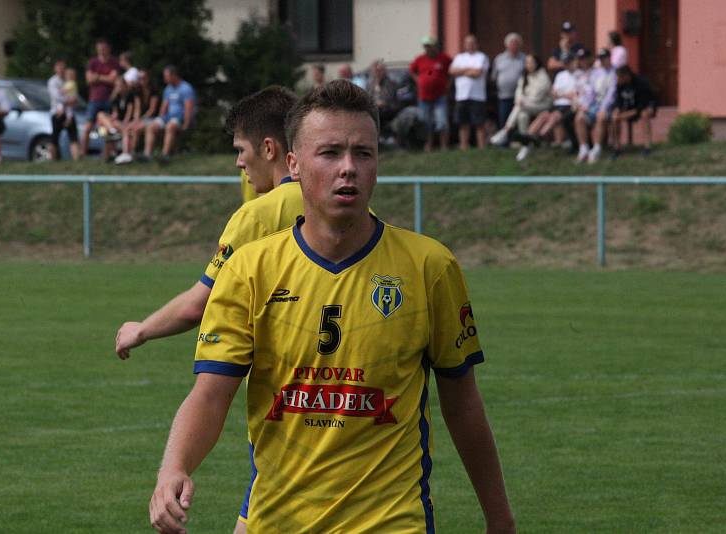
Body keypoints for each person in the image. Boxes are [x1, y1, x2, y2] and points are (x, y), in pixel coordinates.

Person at [148, 80, 515, 534]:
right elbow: (210, 394)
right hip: (277, 522)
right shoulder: (249, 270)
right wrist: (174, 467)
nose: (349, 168)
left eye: (364, 153)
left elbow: (463, 405)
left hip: (392, 523)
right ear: (294, 164)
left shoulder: (429, 267)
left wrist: (499, 518)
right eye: (330, 153)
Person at [115, 85, 300, 362]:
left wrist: (141, 329)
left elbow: (197, 306)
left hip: (287, 387)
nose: (239, 163)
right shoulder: (346, 208)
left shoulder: (258, 216)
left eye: (241, 150)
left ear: (269, 148)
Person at [515, 52, 583, 160]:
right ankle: (528, 139)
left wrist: (562, 94)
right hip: (558, 104)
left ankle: (540, 137)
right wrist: (564, 94)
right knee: (543, 115)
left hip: (570, 106)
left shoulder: (580, 75)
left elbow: (576, 94)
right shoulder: (560, 75)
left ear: (574, 62)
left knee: (554, 116)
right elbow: (553, 92)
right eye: (565, 63)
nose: (566, 65)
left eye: (568, 62)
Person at [490, 55, 551, 150]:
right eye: (527, 63)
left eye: (531, 62)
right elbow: (519, 91)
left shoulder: (543, 76)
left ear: (537, 63)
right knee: (522, 115)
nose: (528, 65)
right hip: (527, 105)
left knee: (519, 107)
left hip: (542, 105)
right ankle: (526, 145)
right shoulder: (525, 76)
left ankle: (505, 131)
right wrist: (520, 100)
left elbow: (537, 96)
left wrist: (523, 101)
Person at [143, 65, 195, 162]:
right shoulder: (168, 89)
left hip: (180, 118)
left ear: (173, 76)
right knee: (151, 126)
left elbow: (189, 108)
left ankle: (165, 155)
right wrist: (160, 120)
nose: (165, 79)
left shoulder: (186, 88)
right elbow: (164, 107)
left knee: (170, 126)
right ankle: (147, 155)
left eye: (166, 76)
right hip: (168, 117)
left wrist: (186, 125)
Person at [410, 36, 452, 152]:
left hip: (440, 96)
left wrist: (449, 84)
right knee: (425, 122)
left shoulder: (444, 58)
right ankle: (428, 145)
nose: (427, 48)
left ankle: (444, 146)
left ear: (435, 46)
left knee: (442, 121)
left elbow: (452, 71)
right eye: (425, 46)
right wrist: (417, 80)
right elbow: (412, 70)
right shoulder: (419, 59)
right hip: (423, 96)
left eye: (429, 46)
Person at [575, 48, 617, 164]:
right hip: (595, 104)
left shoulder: (615, 72)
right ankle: (583, 148)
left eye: (605, 58)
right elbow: (591, 92)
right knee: (580, 118)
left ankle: (597, 148)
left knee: (601, 117)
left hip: (609, 105)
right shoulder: (596, 73)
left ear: (609, 58)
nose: (603, 61)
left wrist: (603, 108)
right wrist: (585, 105)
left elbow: (611, 94)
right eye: (601, 58)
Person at [449, 34, 490, 149]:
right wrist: (469, 70)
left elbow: (477, 73)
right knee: (463, 123)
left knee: (479, 123)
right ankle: (463, 146)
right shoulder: (459, 57)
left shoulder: (482, 57)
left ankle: (481, 147)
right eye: (467, 43)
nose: (470, 45)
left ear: (476, 44)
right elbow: (451, 71)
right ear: (464, 45)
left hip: (477, 96)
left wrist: (461, 71)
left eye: (472, 43)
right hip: (461, 96)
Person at [81, 38, 119, 157]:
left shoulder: (113, 62)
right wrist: (105, 77)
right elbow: (89, 80)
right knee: (88, 127)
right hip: (94, 99)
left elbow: (113, 79)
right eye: (99, 48)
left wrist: (98, 77)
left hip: (109, 99)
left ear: (108, 49)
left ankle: (107, 152)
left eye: (103, 48)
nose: (101, 51)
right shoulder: (93, 62)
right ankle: (83, 152)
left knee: (106, 128)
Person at [610, 65, 657, 158]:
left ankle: (647, 146)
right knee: (614, 117)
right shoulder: (619, 84)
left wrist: (625, 115)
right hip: (629, 107)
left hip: (645, 106)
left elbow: (642, 105)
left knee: (644, 114)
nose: (618, 79)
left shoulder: (640, 83)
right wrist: (617, 109)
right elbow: (618, 100)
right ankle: (617, 148)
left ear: (626, 76)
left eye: (619, 77)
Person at [116, 68, 160, 164]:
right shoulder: (137, 91)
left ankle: (145, 154)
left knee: (138, 128)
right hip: (142, 118)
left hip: (152, 118)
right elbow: (137, 108)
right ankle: (127, 153)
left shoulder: (154, 90)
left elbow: (152, 110)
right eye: (139, 78)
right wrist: (136, 120)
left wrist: (141, 120)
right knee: (128, 128)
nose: (141, 81)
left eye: (143, 78)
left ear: (148, 78)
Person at [491, 32, 525, 133]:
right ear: (507, 45)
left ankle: (516, 139)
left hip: (519, 95)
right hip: (503, 95)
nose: (514, 45)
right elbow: (494, 76)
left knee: (517, 118)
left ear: (520, 45)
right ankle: (503, 140)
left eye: (516, 43)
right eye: (512, 43)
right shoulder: (499, 59)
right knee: (504, 117)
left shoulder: (524, 59)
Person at [96, 77, 137, 160]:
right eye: (117, 86)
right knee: (100, 116)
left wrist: (125, 122)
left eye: (120, 86)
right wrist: (111, 119)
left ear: (125, 86)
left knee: (122, 129)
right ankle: (111, 152)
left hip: (125, 121)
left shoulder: (129, 96)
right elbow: (115, 113)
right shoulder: (116, 97)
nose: (118, 88)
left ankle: (124, 154)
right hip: (117, 121)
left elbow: (129, 111)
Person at [47, 60, 80, 160]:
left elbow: (75, 97)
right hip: (57, 112)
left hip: (69, 112)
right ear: (55, 69)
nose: (61, 70)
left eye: (63, 68)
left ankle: (76, 159)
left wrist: (70, 101)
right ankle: (53, 159)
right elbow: (56, 97)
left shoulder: (69, 81)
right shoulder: (53, 81)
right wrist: (68, 101)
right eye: (59, 67)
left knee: (73, 136)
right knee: (55, 137)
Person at [364, 59, 399, 139]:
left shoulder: (390, 83)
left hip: (389, 109)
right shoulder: (370, 84)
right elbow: (366, 97)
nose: (377, 73)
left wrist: (378, 86)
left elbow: (387, 99)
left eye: (379, 70)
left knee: (375, 114)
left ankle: (377, 139)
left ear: (384, 71)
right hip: (374, 108)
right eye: (375, 71)